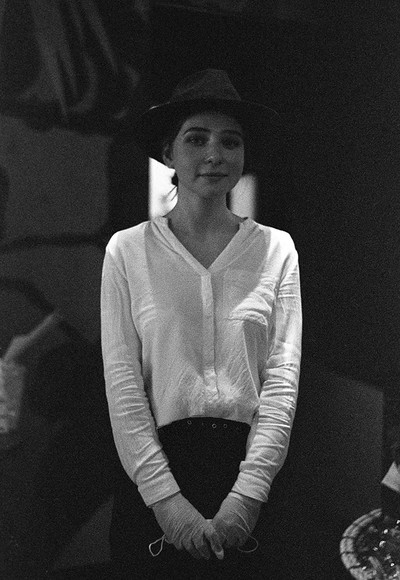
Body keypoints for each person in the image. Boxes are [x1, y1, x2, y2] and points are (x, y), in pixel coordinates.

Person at [101, 69, 302, 579]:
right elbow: (123, 383)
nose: (215, 154)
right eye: (196, 138)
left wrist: (247, 497)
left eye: (230, 141)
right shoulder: (127, 251)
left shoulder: (277, 250)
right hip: (157, 474)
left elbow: (282, 380)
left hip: (249, 471)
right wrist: (168, 504)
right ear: (168, 153)